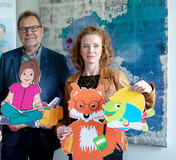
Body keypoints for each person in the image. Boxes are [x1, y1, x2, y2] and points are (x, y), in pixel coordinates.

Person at [56, 26, 156, 160]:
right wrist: (60, 127)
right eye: (86, 46)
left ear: (103, 50)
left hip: (108, 149)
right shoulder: (70, 82)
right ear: (79, 50)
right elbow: (66, 117)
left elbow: (139, 109)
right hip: (79, 147)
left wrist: (148, 91)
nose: (91, 50)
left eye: (96, 46)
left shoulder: (116, 77)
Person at [0, 10, 71, 160]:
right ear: (19, 33)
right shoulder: (7, 59)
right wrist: (7, 119)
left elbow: (68, 97)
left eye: (33, 28)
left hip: (44, 136)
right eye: (24, 29)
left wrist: (57, 122)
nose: (29, 32)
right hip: (14, 135)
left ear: (41, 31)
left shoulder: (58, 60)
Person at [0, 58, 44, 127]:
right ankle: (28, 122)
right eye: (24, 73)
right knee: (4, 108)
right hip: (14, 110)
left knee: (39, 114)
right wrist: (5, 102)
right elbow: (8, 99)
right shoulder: (14, 86)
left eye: (31, 74)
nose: (27, 76)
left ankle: (8, 120)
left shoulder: (35, 88)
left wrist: (40, 107)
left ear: (34, 76)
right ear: (20, 74)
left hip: (27, 111)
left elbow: (38, 102)